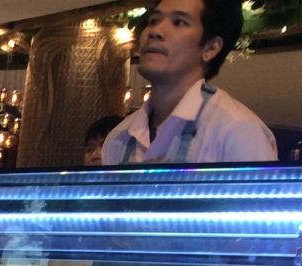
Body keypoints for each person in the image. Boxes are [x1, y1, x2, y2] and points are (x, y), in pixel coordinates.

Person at [101, 0, 276, 165]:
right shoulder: (119, 138)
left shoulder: (237, 131)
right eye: (153, 20)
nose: (155, 31)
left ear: (211, 48)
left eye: (179, 22)